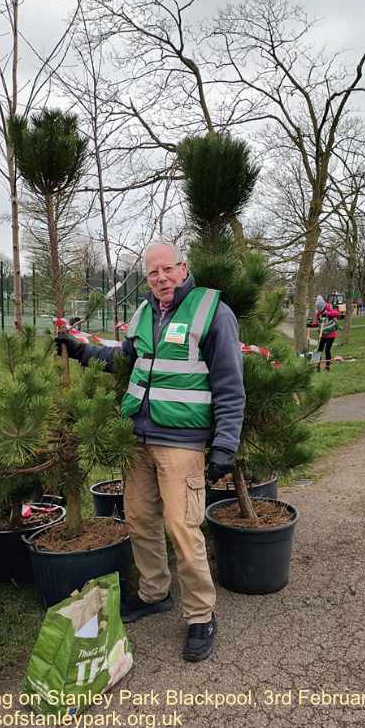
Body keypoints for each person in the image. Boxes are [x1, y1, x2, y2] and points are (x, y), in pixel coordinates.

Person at [56, 242, 245, 663]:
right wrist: (82, 349)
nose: (160, 278)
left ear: (183, 267)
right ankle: (154, 593)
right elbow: (125, 360)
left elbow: (231, 385)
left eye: (167, 270)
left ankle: (200, 615)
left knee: (182, 527)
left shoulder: (212, 312)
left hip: (182, 443)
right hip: (138, 437)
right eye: (152, 272)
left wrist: (225, 446)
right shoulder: (144, 314)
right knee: (140, 519)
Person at [314, 301, 340, 372]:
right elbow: (316, 322)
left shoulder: (328, 308)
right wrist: (313, 324)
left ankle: (327, 366)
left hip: (331, 334)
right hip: (322, 334)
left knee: (327, 349)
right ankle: (317, 365)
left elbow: (337, 313)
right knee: (318, 349)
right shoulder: (318, 313)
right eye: (318, 309)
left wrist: (328, 313)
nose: (319, 310)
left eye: (320, 309)